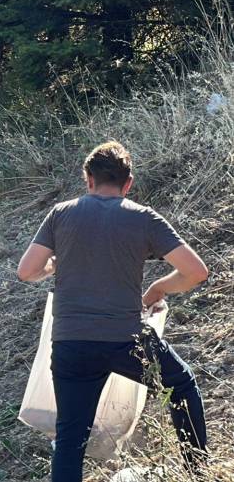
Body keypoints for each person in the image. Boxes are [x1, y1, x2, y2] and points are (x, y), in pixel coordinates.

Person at [16, 141, 208, 482]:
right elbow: (196, 272)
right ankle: (198, 470)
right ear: (128, 183)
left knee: (71, 437)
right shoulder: (143, 218)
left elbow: (26, 271)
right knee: (181, 385)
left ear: (88, 180)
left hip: (71, 343)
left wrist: (53, 266)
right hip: (127, 340)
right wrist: (158, 289)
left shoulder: (61, 213)